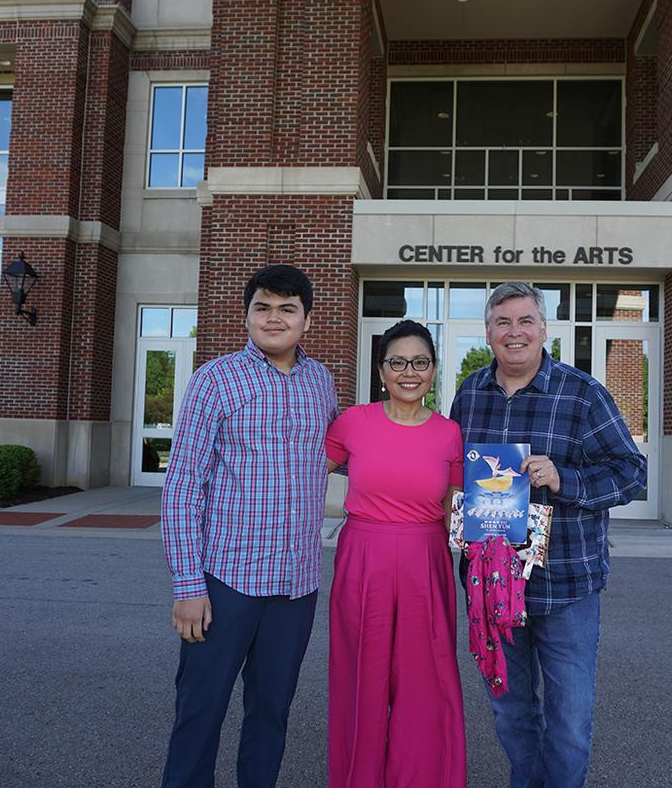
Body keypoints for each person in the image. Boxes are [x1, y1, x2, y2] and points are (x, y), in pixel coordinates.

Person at [449, 281, 647, 788]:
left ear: (543, 330)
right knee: (511, 714)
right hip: (492, 587)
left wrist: (565, 480)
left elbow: (632, 473)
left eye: (525, 322)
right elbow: (453, 474)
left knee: (568, 722)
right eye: (502, 323)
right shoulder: (469, 393)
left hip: (565, 586)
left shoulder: (582, 394)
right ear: (488, 332)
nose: (514, 333)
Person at [160, 264, 338, 788]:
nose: (274, 318)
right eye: (262, 307)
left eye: (287, 308)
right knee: (200, 712)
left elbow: (340, 457)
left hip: (295, 586)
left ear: (308, 318)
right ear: (247, 315)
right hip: (225, 583)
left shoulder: (321, 382)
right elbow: (183, 485)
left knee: (271, 713)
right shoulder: (216, 380)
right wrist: (189, 587)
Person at [325, 320, 467, 788]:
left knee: (424, 683)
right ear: (381, 369)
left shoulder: (450, 434)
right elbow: (294, 473)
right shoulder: (352, 423)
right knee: (360, 679)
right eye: (398, 362)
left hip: (426, 560)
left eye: (421, 362)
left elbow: (456, 511)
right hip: (362, 559)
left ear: (433, 370)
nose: (410, 372)